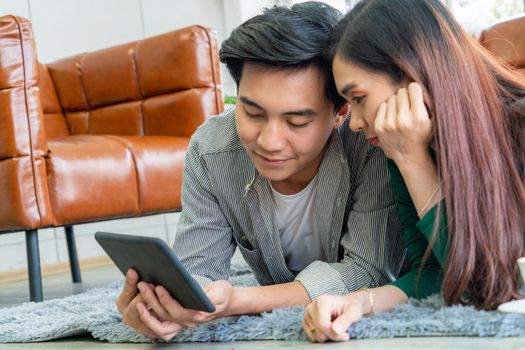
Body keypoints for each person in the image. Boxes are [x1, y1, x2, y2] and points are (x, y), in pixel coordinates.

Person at [115, 1, 407, 342]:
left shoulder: (368, 141)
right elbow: (197, 270)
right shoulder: (212, 149)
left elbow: (367, 270)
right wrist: (165, 305)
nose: (269, 141)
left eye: (297, 121)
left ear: (340, 112)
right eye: (252, 113)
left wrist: (238, 301)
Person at [302, 0, 525, 343]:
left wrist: (414, 161)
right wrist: (361, 301)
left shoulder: (518, 126)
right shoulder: (400, 148)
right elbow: (435, 269)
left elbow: (492, 289)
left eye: (359, 98)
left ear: (415, 74)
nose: (355, 123)